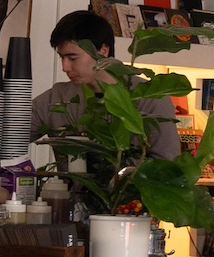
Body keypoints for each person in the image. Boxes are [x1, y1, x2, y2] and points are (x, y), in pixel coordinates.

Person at [30, 9, 181, 158]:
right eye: (61, 57)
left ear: (103, 51)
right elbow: (12, 135)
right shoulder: (56, 97)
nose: (65, 67)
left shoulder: (150, 98)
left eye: (72, 58)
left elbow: (167, 167)